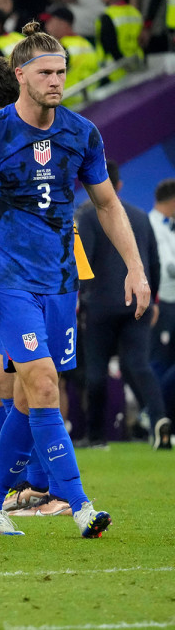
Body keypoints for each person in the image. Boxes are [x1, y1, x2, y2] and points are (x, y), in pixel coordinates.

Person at [0, 22, 150, 538]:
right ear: (21, 76)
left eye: (62, 72)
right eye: (46, 72)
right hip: (8, 282)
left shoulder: (82, 132)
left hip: (60, 282)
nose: (57, 81)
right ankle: (78, 503)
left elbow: (106, 203)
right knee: (41, 382)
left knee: (24, 397)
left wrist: (136, 267)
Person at [76, 163, 165, 447]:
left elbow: (83, 262)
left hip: (100, 304)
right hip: (138, 303)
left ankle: (97, 436)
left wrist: (77, 297)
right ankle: (160, 421)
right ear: (120, 185)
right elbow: (154, 262)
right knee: (139, 365)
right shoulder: (139, 216)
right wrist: (154, 299)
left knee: (96, 369)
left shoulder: (87, 216)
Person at [151, 180, 175, 449]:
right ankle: (157, 415)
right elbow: (168, 267)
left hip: (172, 303)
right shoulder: (154, 224)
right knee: (158, 364)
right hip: (164, 303)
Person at [42, 6, 97, 103]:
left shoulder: (60, 48)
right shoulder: (86, 43)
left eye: (50, 21)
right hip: (92, 97)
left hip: (69, 102)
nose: (46, 26)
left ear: (62, 23)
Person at [94, 0, 144, 82]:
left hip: (113, 70)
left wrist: (123, 64)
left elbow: (109, 45)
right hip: (137, 64)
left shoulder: (108, 15)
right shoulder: (135, 13)